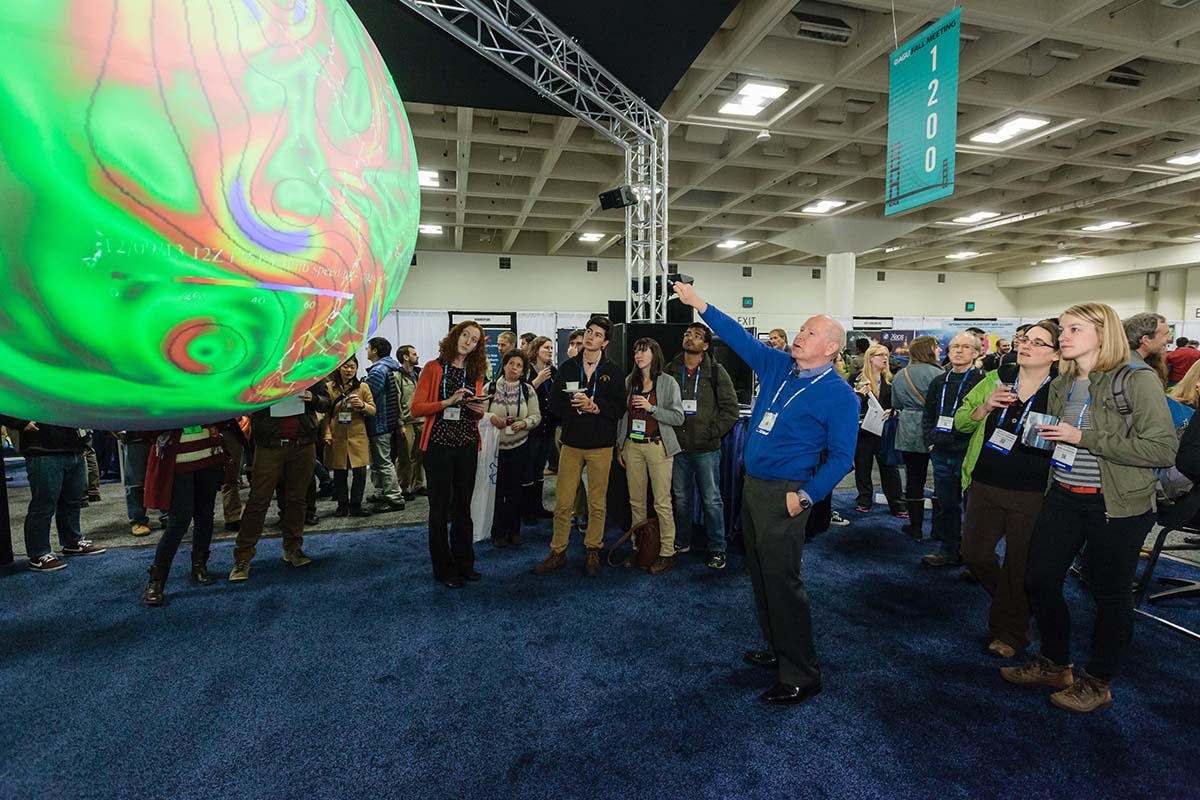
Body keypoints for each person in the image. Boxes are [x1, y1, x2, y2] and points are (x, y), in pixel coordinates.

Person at [673, 281, 858, 705]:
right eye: (801, 329)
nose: (799, 335)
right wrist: (701, 305)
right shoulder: (779, 367)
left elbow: (842, 458)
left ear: (830, 348)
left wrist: (806, 497)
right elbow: (737, 336)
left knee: (783, 582)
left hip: (787, 495)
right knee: (760, 576)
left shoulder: (839, 396)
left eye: (810, 333)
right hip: (755, 487)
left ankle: (802, 673)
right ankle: (778, 650)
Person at [1002, 303, 1177, 713]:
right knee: (1040, 579)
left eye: (1074, 329)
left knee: (1110, 594)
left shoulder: (1136, 380)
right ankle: (1055, 662)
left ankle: (1097, 682)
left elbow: (1163, 448)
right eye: (1062, 329)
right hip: (1064, 493)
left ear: (1104, 333)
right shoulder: (1065, 381)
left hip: (1117, 504)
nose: (1063, 336)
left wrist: (1084, 438)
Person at [953, 322, 1060, 655]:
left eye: (1038, 343)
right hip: (985, 481)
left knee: (1018, 563)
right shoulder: (998, 377)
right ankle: (1018, 606)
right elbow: (961, 421)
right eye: (1025, 340)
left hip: (1031, 491)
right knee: (974, 555)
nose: (1026, 346)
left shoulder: (1062, 389)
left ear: (1056, 354)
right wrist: (985, 408)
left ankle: (1010, 633)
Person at [534, 316, 625, 578]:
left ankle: (592, 549)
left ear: (605, 342)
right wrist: (573, 409)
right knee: (563, 502)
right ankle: (558, 551)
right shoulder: (568, 367)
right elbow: (553, 404)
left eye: (597, 334)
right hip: (572, 443)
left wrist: (596, 407)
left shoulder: (614, 371)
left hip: (600, 446)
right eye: (589, 332)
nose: (590, 337)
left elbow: (619, 408)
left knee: (597, 503)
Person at [411, 321, 489, 589]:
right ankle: (444, 570)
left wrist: (477, 407)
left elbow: (477, 412)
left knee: (463, 508)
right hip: (439, 447)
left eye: (474, 339)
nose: (468, 341)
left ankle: (465, 564)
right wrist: (447, 402)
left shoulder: (475, 371)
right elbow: (416, 408)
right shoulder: (434, 368)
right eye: (465, 335)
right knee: (440, 509)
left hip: (467, 445)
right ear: (454, 336)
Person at [228, 380, 331, 581]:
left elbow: (326, 402)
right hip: (269, 445)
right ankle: (242, 557)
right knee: (258, 501)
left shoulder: (308, 367)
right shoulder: (263, 368)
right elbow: (242, 399)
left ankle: (293, 548)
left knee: (297, 499)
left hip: (302, 444)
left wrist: (314, 398)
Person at [666, 322, 740, 569]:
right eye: (688, 334)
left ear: (706, 346)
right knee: (681, 499)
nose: (690, 338)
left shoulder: (717, 372)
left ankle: (717, 547)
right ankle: (682, 541)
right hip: (678, 449)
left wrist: (711, 433)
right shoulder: (669, 371)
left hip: (707, 449)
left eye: (697, 336)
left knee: (712, 500)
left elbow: (731, 411)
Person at [616, 338, 686, 574]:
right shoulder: (630, 381)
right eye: (636, 350)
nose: (638, 355)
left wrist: (651, 408)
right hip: (632, 446)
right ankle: (640, 548)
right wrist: (620, 445)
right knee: (636, 501)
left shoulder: (668, 383)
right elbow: (622, 417)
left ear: (655, 355)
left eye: (644, 351)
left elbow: (678, 417)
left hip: (658, 446)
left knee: (661, 502)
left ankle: (667, 552)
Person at [0, 419, 105, 571]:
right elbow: (7, 401)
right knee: (44, 504)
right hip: (43, 449)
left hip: (74, 447)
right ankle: (39, 553)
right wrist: (20, 423)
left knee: (72, 500)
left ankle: (72, 541)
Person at [140, 425, 225, 605]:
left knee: (205, 515)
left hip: (208, 456)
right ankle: (156, 581)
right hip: (178, 462)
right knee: (179, 521)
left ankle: (199, 566)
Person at [922, 332, 986, 565]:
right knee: (946, 506)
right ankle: (949, 551)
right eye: (954, 346)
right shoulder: (939, 381)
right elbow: (928, 414)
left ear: (977, 353)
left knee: (974, 510)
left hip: (968, 453)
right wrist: (930, 441)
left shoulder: (983, 381)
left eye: (965, 347)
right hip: (940, 452)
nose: (959, 351)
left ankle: (974, 559)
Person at [485, 350, 541, 548]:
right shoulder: (490, 387)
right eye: (511, 363)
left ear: (523, 369)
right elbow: (480, 417)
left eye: (519, 365)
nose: (514, 368)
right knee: (498, 491)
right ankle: (497, 532)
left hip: (520, 447)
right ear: (504, 365)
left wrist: (525, 423)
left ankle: (514, 531)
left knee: (516, 490)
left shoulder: (528, 390)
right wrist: (492, 419)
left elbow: (536, 416)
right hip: (495, 449)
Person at [891, 336, 944, 540]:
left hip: (909, 428)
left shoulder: (900, 375)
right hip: (936, 428)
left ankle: (915, 528)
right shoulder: (940, 374)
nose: (939, 350)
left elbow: (896, 403)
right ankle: (939, 530)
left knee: (914, 479)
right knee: (941, 479)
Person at [849, 344, 904, 516]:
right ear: (870, 358)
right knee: (863, 466)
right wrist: (858, 394)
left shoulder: (892, 380)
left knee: (890, 467)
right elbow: (848, 405)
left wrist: (894, 411)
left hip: (885, 431)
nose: (885, 358)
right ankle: (864, 499)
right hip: (863, 431)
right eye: (880, 355)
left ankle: (897, 502)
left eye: (887, 355)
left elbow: (900, 404)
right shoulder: (855, 379)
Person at [322, 356, 376, 518]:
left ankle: (356, 504)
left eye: (353, 367)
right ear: (339, 368)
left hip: (357, 435)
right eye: (346, 367)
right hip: (336, 435)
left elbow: (373, 410)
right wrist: (326, 432)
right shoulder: (329, 388)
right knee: (339, 472)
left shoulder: (363, 387)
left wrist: (363, 406)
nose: (349, 370)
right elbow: (324, 413)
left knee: (360, 472)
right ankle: (342, 504)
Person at [364, 337, 407, 511]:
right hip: (388, 421)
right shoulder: (391, 367)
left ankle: (394, 498)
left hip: (379, 422)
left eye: (368, 348)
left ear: (375, 351)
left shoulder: (378, 371)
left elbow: (367, 395)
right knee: (378, 461)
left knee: (383, 462)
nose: (366, 351)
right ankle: (382, 492)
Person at [522, 335, 558, 523]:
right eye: (546, 348)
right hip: (531, 427)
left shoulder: (553, 371)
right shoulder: (527, 370)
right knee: (528, 467)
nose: (550, 351)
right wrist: (536, 381)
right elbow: (520, 394)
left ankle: (538, 506)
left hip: (548, 426)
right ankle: (526, 509)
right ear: (536, 350)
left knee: (539, 468)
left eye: (551, 348)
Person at [393, 344, 426, 500]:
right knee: (405, 456)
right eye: (414, 354)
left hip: (422, 420)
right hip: (407, 422)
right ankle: (404, 487)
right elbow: (397, 400)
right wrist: (400, 423)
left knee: (420, 456)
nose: (417, 356)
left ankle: (418, 484)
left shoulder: (419, 375)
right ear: (405, 357)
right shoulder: (397, 376)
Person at [118, 429, 164, 537]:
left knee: (164, 480)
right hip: (135, 436)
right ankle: (138, 520)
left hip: (160, 435)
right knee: (135, 483)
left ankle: (168, 517)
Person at [1124, 312, 1170, 387]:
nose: (1169, 338)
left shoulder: (1118, 361)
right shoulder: (1142, 374)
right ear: (1146, 340)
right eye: (1165, 334)